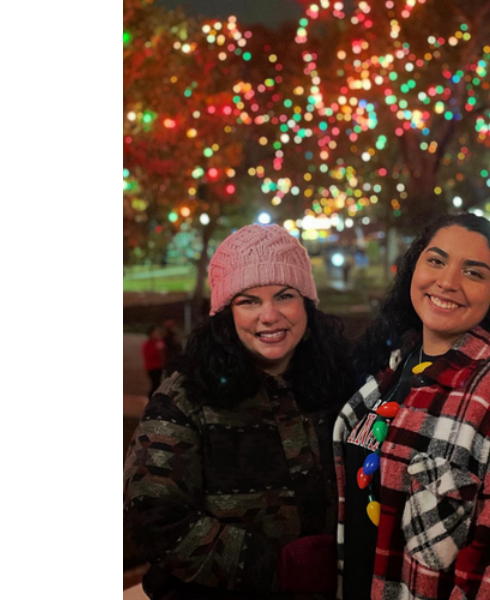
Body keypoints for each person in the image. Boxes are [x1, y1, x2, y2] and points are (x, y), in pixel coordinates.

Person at [334, 214, 490, 600]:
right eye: (436, 261)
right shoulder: (390, 371)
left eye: (474, 272)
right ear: (413, 269)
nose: (448, 282)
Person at [124, 224, 357, 600]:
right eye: (248, 300)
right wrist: (276, 568)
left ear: (307, 303)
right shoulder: (186, 396)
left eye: (284, 295)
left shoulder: (339, 384)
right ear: (226, 312)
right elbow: (153, 516)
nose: (269, 315)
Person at [141, 325, 166, 398]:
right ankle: (151, 399)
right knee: (155, 384)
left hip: (159, 366)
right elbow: (148, 355)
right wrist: (157, 349)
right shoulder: (148, 344)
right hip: (152, 367)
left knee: (158, 384)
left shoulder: (159, 342)